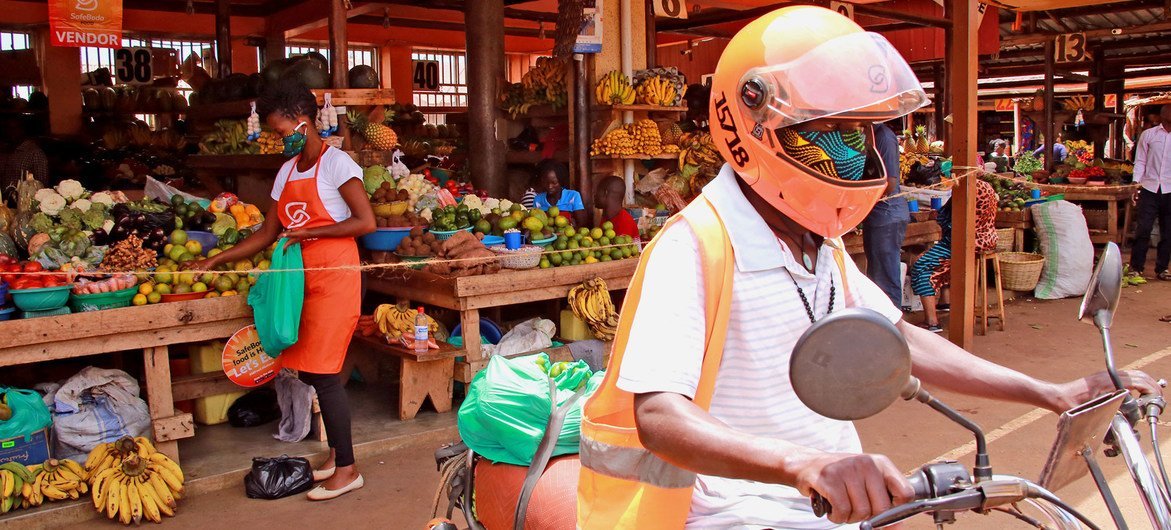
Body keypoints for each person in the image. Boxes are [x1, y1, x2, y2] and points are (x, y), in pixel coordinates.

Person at [576, 7, 1162, 528]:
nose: (854, 152)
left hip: (836, 506)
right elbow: (658, 416)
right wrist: (801, 464)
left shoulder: (819, 240)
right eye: (828, 131)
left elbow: (902, 339)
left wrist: (1048, 391)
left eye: (858, 132)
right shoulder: (694, 247)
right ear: (752, 125)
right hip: (740, 511)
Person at [190, 78, 375, 500]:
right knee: (310, 370)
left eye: (280, 131)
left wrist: (312, 230)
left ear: (303, 122)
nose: (278, 139)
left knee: (325, 376)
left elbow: (366, 222)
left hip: (335, 278)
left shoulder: (337, 165)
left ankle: (348, 470)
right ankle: (335, 456)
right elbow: (268, 233)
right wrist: (216, 260)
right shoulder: (287, 171)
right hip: (298, 283)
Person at [908, 179, 999, 332]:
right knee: (945, 264)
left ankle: (932, 322)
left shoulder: (965, 190)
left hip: (962, 243)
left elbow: (947, 220)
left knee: (921, 265)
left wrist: (939, 215)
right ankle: (945, 301)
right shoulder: (986, 187)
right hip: (986, 240)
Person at [861, 122, 909, 307]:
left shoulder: (884, 137)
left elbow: (889, 182)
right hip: (878, 216)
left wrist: (861, 199)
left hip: (887, 214)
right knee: (877, 274)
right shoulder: (870, 134)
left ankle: (892, 327)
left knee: (885, 277)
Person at [1130, 104, 1171, 280]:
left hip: (1170, 190)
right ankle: (1136, 267)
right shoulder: (1149, 135)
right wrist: (1135, 183)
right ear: (1162, 116)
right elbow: (1140, 161)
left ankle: (1162, 269)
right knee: (1143, 229)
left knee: (1168, 232)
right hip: (1149, 188)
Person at [1, 115, 49, 205]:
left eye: (14, 128)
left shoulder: (35, 153)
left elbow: (42, 185)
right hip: (4, 203)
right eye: (7, 129)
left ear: (22, 130)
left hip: (24, 204)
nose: (10, 132)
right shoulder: (5, 151)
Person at [532, 159, 588, 226]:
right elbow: (536, 224)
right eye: (546, 182)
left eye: (554, 183)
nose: (550, 186)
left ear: (561, 181)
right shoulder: (538, 200)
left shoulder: (573, 196)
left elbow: (582, 224)